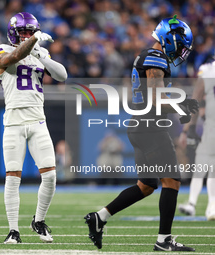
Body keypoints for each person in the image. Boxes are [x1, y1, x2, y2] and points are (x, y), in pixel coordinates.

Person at [84, 15, 199, 251]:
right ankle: (164, 241)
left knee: (146, 185)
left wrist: (180, 104)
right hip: (150, 127)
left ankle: (100, 217)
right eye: (181, 46)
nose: (181, 52)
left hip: (140, 125)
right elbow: (156, 98)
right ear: (170, 39)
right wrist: (182, 103)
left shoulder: (148, 55)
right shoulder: (156, 58)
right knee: (172, 181)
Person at [0, 12, 67, 244]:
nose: (26, 35)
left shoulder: (39, 51)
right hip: (14, 122)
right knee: (13, 178)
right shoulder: (1, 49)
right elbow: (10, 60)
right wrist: (32, 43)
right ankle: (13, 230)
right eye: (23, 32)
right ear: (13, 32)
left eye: (30, 32)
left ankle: (38, 220)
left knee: (51, 176)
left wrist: (39, 54)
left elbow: (62, 76)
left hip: (38, 121)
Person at [178, 60, 215, 221]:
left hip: (211, 126)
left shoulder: (207, 70)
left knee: (202, 165)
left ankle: (197, 204)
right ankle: (209, 206)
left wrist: (188, 130)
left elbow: (196, 98)